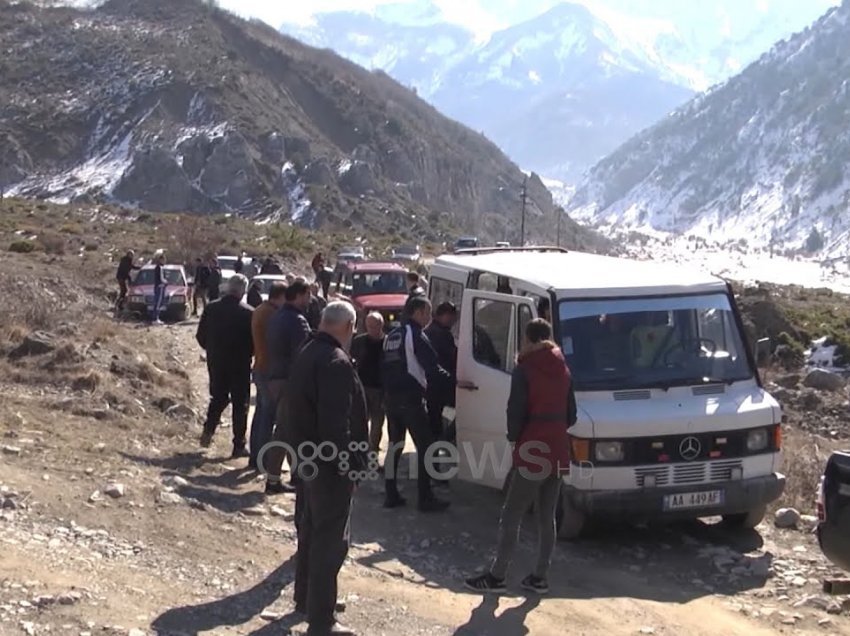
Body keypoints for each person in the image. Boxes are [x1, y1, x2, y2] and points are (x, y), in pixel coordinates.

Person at [464, 318, 576, 595]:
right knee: (546, 515)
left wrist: (516, 438)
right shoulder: (563, 367)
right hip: (559, 444)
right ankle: (540, 576)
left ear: (527, 338)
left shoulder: (525, 368)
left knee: (512, 512)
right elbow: (571, 414)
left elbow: (515, 411)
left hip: (533, 444)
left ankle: (498, 575)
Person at [288, 301, 367, 636]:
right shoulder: (335, 361)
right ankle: (322, 621)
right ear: (349, 327)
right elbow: (337, 426)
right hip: (328, 464)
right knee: (330, 540)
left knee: (311, 530)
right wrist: (350, 468)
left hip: (308, 457)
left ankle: (309, 600)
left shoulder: (308, 351)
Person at [382, 295, 452, 512]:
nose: (429, 318)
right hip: (410, 398)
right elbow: (431, 366)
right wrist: (455, 382)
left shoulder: (392, 335)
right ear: (418, 312)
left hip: (391, 398)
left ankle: (391, 494)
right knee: (427, 446)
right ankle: (425, 498)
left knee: (395, 445)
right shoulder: (415, 335)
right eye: (427, 313)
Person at [196, 274, 255, 458]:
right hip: (240, 363)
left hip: (217, 361)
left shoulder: (212, 308)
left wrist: (212, 350)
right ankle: (238, 445)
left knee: (218, 397)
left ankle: (208, 431)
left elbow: (200, 335)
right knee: (240, 403)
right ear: (243, 290)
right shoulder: (249, 313)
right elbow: (254, 343)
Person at [264, 279, 312, 495]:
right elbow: (303, 355)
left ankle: (296, 476)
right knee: (284, 431)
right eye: (308, 296)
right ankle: (274, 480)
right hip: (289, 381)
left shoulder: (278, 316)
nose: (309, 300)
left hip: (275, 377)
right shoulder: (296, 321)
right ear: (300, 295)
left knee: (291, 429)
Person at [250, 281, 287, 471]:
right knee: (267, 415)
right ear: (280, 296)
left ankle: (255, 455)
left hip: (260, 366)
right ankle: (262, 460)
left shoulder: (259, 309)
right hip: (267, 368)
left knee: (260, 414)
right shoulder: (272, 314)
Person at [351, 312, 385, 454]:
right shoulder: (359, 341)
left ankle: (373, 451)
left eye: (374, 326)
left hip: (380, 388)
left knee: (377, 423)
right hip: (362, 387)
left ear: (381, 325)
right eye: (368, 326)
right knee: (360, 422)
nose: (371, 329)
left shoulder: (388, 343)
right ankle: (360, 451)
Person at [424, 302, 458, 441]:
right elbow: (450, 356)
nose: (453, 322)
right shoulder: (440, 334)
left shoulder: (430, 331)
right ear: (444, 316)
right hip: (439, 384)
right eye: (451, 319)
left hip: (434, 383)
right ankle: (441, 443)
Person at [151, 251, 167, 325]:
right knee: (157, 303)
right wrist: (165, 282)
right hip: (159, 287)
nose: (164, 261)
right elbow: (160, 278)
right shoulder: (159, 268)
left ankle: (157, 318)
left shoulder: (159, 267)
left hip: (159, 287)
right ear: (161, 260)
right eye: (163, 260)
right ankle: (155, 318)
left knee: (158, 303)